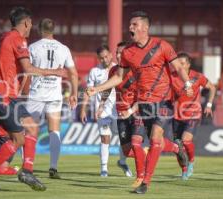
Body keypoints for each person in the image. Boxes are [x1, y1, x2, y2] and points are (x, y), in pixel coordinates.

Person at [86, 11, 193, 194]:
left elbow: (178, 67)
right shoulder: (128, 52)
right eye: (130, 25)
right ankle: (175, 147)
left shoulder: (162, 45)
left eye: (134, 25)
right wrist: (96, 89)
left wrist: (188, 83)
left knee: (154, 139)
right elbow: (119, 77)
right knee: (140, 144)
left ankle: (145, 182)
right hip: (143, 103)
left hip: (163, 100)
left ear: (145, 27)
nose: (130, 28)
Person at [0, 7, 67, 191]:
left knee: (30, 129)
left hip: (5, 94)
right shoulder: (18, 39)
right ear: (26, 23)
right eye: (30, 24)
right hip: (3, 96)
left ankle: (22, 171)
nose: (31, 27)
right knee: (18, 139)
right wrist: (55, 72)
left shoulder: (3, 39)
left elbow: (0, 64)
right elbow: (28, 68)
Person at [100, 42, 187, 189]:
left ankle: (141, 178)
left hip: (138, 111)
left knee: (136, 143)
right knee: (128, 151)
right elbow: (109, 87)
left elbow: (143, 96)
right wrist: (102, 102)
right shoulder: (114, 70)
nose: (120, 55)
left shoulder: (137, 71)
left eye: (122, 53)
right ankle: (174, 148)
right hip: (121, 114)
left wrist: (131, 110)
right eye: (118, 53)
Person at [26, 18, 78, 179]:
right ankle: (53, 168)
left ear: (39, 30)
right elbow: (73, 73)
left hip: (36, 94)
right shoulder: (64, 49)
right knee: (54, 130)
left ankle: (27, 166)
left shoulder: (33, 47)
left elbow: (28, 70)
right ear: (53, 30)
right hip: (54, 94)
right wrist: (74, 93)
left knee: (29, 130)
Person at [80, 44, 132, 177]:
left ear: (110, 54)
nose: (104, 59)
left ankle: (122, 162)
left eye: (106, 56)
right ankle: (104, 168)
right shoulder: (94, 72)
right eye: (101, 58)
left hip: (118, 108)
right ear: (98, 59)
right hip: (102, 110)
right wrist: (83, 109)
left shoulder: (119, 68)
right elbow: (88, 91)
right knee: (105, 138)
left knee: (123, 139)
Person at [171, 52, 216, 180]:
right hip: (177, 115)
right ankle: (184, 170)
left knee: (185, 140)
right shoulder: (172, 76)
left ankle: (191, 161)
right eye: (178, 63)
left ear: (189, 64)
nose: (179, 66)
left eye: (182, 63)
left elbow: (212, 87)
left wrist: (208, 104)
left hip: (193, 114)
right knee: (177, 146)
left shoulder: (197, 77)